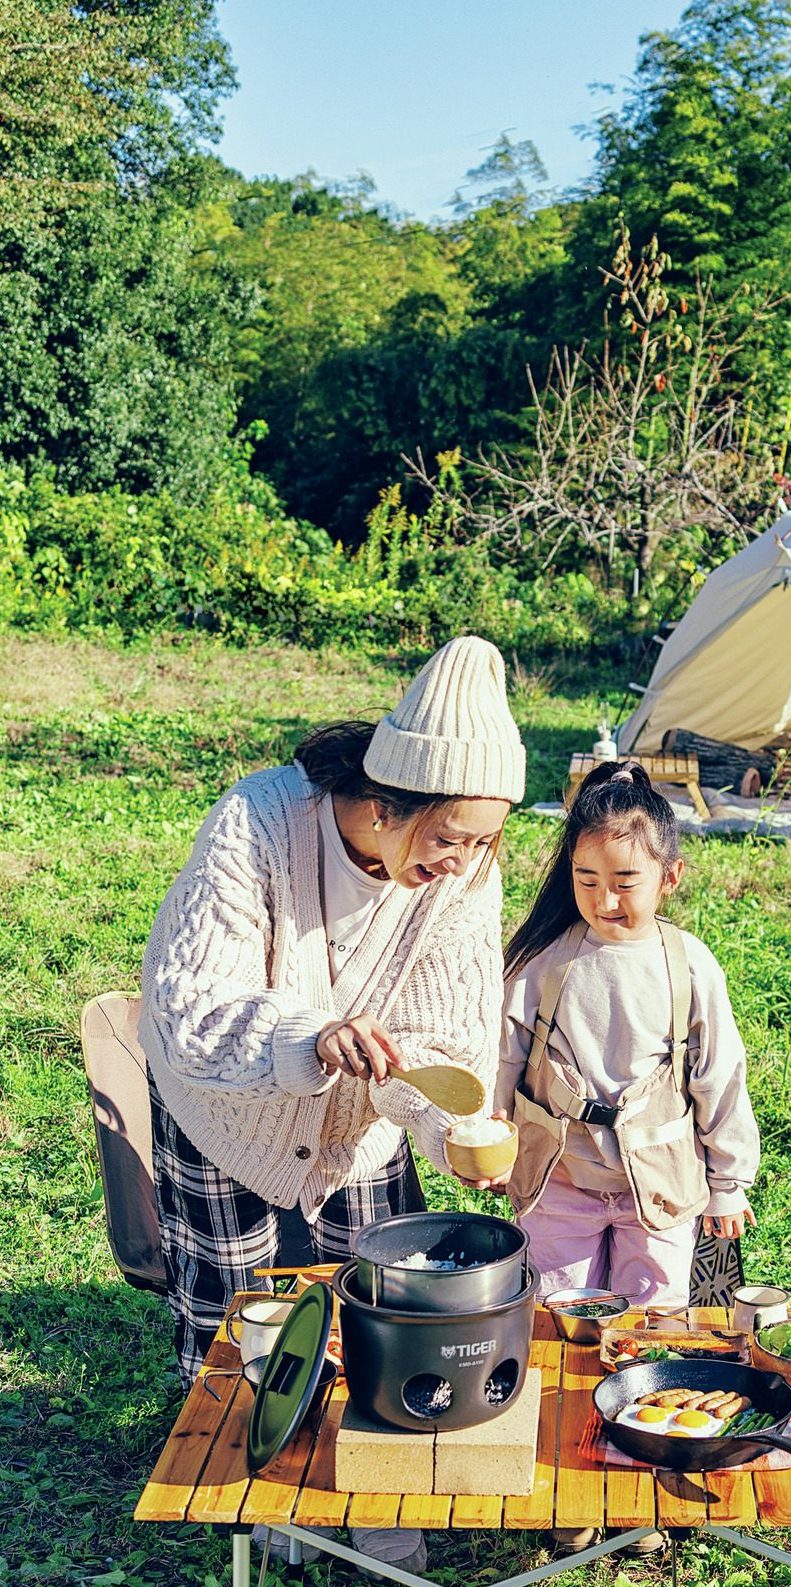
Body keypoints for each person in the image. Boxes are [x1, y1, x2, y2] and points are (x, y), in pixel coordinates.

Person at [140, 635, 526, 1574]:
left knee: (386, 1318)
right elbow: (190, 1005)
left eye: (486, 840)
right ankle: (262, 1526)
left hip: (359, 1136)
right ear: (389, 802)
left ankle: (388, 1522)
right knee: (239, 1330)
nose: (466, 861)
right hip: (228, 1117)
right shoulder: (259, 822)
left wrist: (449, 1125)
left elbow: (441, 1048)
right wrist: (307, 1037)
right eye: (450, 836)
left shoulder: (463, 874)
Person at [488, 761, 759, 1307]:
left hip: (661, 1188)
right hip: (559, 1182)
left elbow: (720, 1078)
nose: (604, 900)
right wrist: (493, 1137)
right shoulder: (546, 960)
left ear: (670, 877)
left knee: (653, 1325)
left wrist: (727, 1186)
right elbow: (501, 1055)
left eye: (624, 884)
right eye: (587, 881)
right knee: (558, 1319)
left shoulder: (688, 965)